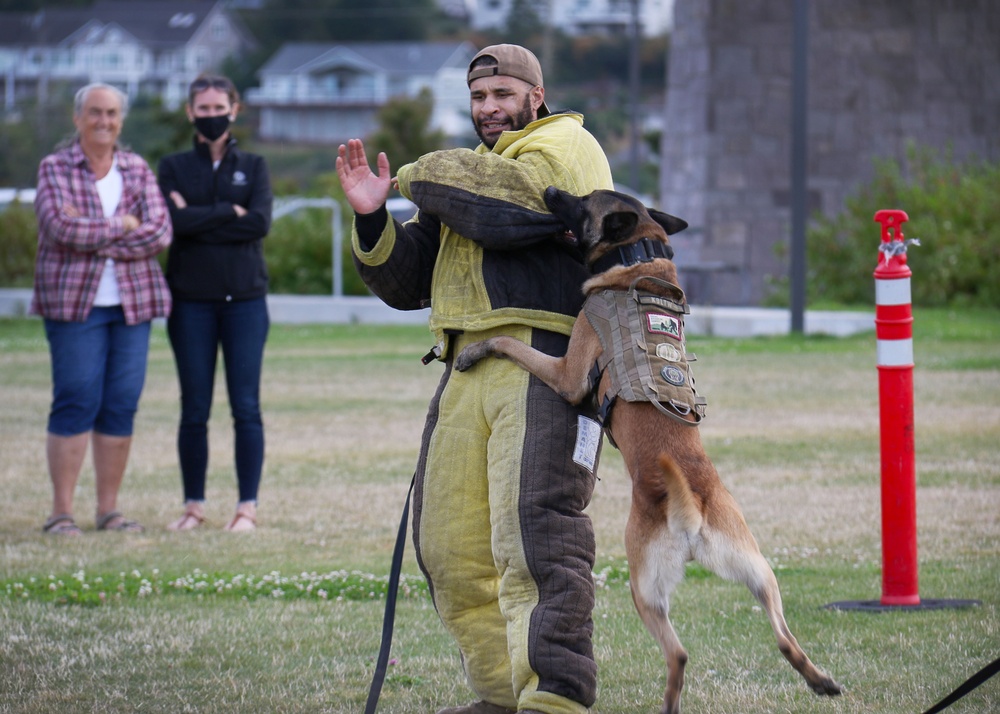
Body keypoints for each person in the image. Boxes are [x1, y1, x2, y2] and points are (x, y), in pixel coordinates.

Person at [337, 45, 614, 714]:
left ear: (535, 96)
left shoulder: (565, 145)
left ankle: (556, 697)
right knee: (451, 550)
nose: (489, 108)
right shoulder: (468, 179)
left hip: (548, 360)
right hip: (464, 362)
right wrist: (374, 214)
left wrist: (411, 173)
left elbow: (512, 210)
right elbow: (407, 281)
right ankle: (500, 695)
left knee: (536, 540)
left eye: (502, 95)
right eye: (479, 98)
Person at [33, 82, 172, 536]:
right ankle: (61, 513)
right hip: (75, 306)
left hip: (132, 306)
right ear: (77, 118)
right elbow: (59, 228)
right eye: (94, 112)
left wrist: (94, 230)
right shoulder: (54, 167)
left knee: (120, 405)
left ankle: (108, 511)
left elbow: (158, 232)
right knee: (76, 398)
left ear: (121, 119)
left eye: (111, 113)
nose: (103, 121)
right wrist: (120, 225)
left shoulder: (135, 168)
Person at [157, 75, 272, 532]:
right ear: (190, 113)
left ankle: (247, 507)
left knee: (245, 406)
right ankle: (193, 506)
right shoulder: (172, 167)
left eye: (217, 107)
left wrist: (197, 217)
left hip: (244, 302)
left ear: (234, 108)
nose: (211, 116)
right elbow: (173, 224)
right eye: (202, 109)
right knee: (194, 408)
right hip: (190, 304)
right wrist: (229, 211)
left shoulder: (256, 165)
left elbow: (260, 223)